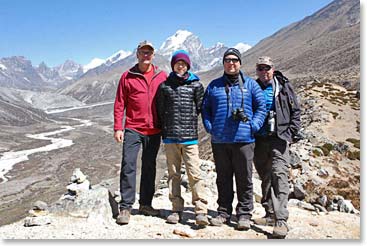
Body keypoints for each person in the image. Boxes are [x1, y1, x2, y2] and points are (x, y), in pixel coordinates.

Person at [201, 48, 266, 230]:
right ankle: (223, 212)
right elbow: (205, 109)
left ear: (240, 63)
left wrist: (253, 125)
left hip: (244, 139)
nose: (231, 63)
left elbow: (261, 107)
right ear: (223, 63)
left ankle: (244, 213)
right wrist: (210, 127)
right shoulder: (214, 85)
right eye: (227, 60)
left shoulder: (251, 85)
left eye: (235, 60)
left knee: (244, 178)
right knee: (223, 178)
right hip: (220, 140)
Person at [113, 40, 167, 225]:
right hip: (133, 128)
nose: (146, 55)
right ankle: (126, 206)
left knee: (150, 166)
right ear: (137, 54)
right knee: (128, 164)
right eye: (143, 52)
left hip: (154, 130)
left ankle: (145, 204)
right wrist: (118, 127)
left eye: (149, 52)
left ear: (153, 55)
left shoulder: (162, 76)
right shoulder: (127, 76)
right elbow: (120, 103)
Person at [156, 50, 209, 226]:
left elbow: (201, 108)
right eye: (178, 63)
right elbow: (160, 111)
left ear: (188, 66)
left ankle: (200, 210)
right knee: (173, 175)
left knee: (195, 174)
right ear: (173, 65)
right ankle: (176, 209)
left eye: (184, 63)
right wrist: (165, 128)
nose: (181, 66)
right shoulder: (164, 87)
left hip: (190, 139)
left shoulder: (196, 86)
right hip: (170, 138)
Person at [252, 56, 301, 238]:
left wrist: (290, 132)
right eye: (260, 68)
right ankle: (269, 213)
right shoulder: (254, 87)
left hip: (279, 138)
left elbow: (295, 110)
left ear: (273, 69)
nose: (264, 72)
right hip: (259, 139)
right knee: (264, 176)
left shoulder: (283, 87)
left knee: (279, 174)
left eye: (267, 68)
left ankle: (281, 220)